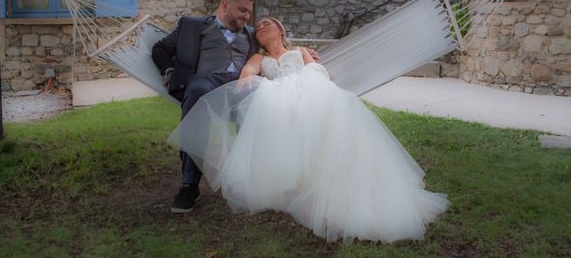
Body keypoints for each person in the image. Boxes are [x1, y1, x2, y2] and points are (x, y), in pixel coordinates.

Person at [169, 16, 449, 242]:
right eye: (260, 25)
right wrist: (250, 79)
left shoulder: (300, 51)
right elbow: (248, 74)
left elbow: (318, 71)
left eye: (269, 23)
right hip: (276, 97)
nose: (263, 25)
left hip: (309, 91)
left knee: (330, 104)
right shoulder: (257, 57)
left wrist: (307, 77)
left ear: (280, 30)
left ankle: (342, 178)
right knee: (281, 106)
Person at [152, 0, 257, 213]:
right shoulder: (192, 26)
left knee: (259, 102)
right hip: (206, 80)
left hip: (239, 83)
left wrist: (302, 54)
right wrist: (169, 71)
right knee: (197, 94)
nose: (246, 16)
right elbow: (159, 49)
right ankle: (190, 184)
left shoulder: (251, 33)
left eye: (248, 12)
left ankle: (249, 179)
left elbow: (276, 48)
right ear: (224, 5)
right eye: (242, 10)